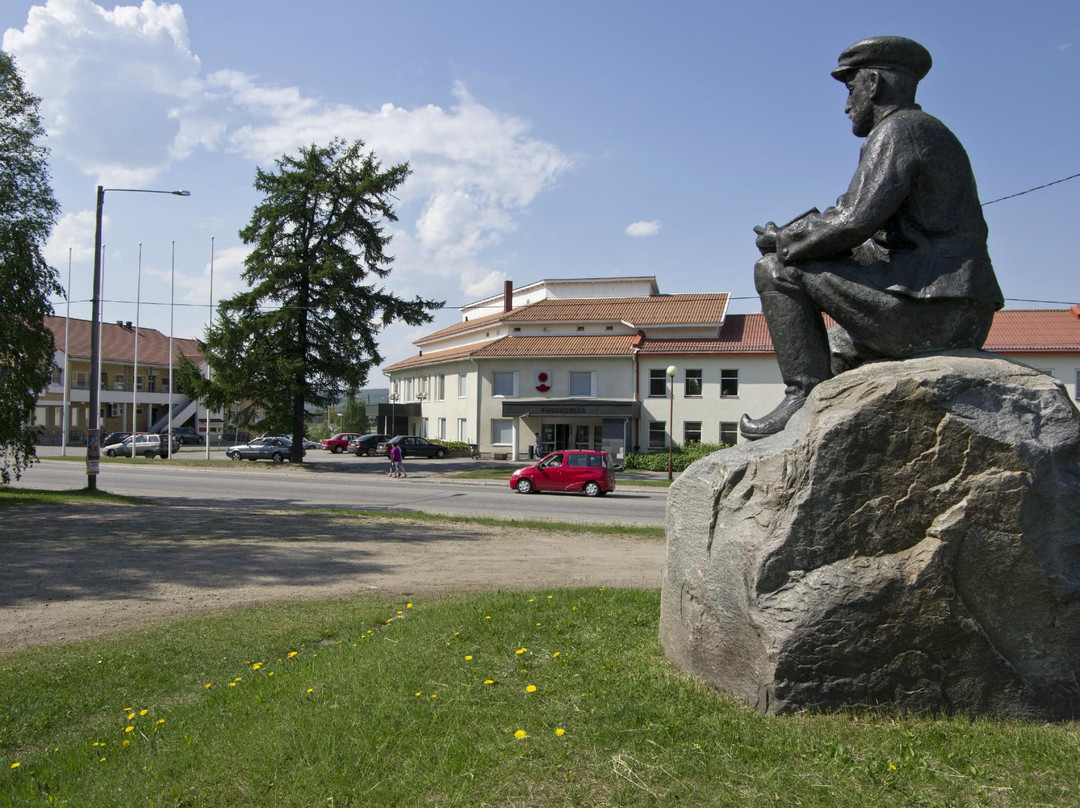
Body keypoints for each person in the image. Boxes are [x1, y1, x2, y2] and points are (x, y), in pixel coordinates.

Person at [740, 36, 1003, 441]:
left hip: (931, 313)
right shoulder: (924, 131)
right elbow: (860, 231)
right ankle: (828, 404)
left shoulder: (900, 130)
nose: (847, 104)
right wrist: (791, 234)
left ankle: (802, 394)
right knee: (838, 347)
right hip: (954, 313)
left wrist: (783, 244)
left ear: (874, 83)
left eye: (850, 88)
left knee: (775, 270)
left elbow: (852, 220)